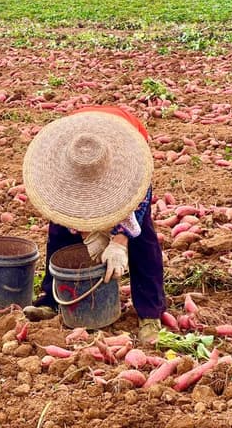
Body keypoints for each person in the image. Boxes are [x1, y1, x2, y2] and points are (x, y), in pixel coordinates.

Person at [21, 105, 166, 345]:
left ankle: (151, 313)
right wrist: (87, 233)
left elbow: (138, 202)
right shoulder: (59, 160)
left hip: (121, 147)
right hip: (73, 149)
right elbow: (59, 204)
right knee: (59, 233)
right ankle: (53, 301)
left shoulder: (132, 157)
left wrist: (119, 241)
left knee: (143, 241)